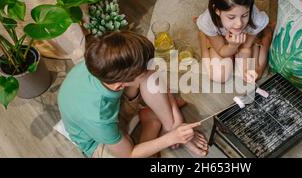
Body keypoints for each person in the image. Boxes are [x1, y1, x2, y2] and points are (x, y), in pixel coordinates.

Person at [58, 31, 209, 158]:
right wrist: (172, 138)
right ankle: (153, 122)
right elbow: (129, 154)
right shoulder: (97, 117)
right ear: (120, 84)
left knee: (149, 76)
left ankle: (169, 124)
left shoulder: (101, 59)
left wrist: (176, 125)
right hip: (98, 141)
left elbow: (151, 73)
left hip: (113, 107)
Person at [196, 0, 274, 83]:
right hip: (220, 38)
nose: (239, 24)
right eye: (231, 17)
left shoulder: (256, 18)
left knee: (250, 75)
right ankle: (203, 34)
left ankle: (267, 33)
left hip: (246, 37)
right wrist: (232, 46)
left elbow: (245, 47)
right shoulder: (208, 21)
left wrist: (258, 71)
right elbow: (221, 50)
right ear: (217, 11)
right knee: (219, 76)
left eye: (244, 15)